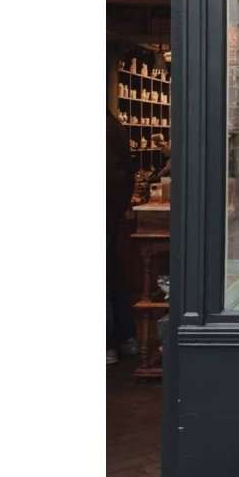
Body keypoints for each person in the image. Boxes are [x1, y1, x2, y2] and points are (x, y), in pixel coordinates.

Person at [107, 110, 138, 364]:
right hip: (112, 211)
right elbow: (125, 171)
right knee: (113, 272)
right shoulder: (114, 127)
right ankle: (126, 337)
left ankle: (109, 342)